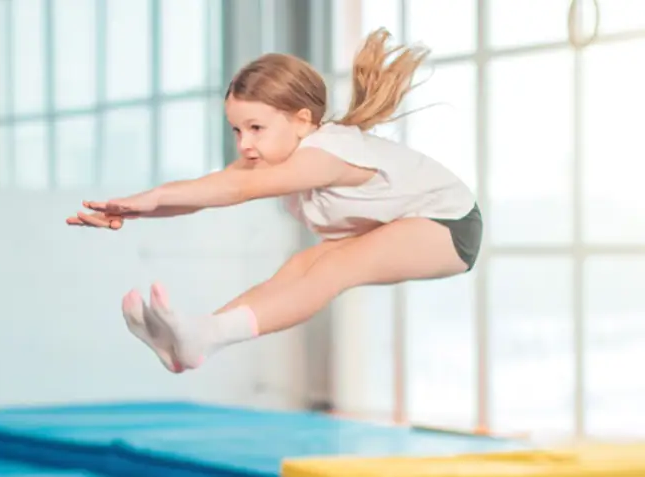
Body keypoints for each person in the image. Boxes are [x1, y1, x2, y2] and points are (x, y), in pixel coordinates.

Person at [65, 28, 482, 374]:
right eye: (237, 130)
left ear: (302, 120)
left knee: (334, 267)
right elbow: (204, 193)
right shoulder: (270, 156)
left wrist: (152, 197)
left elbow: (235, 191)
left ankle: (202, 337)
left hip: (448, 225)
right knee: (296, 270)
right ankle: (192, 341)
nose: (245, 144)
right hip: (396, 225)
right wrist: (131, 208)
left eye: (256, 128)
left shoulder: (325, 154)